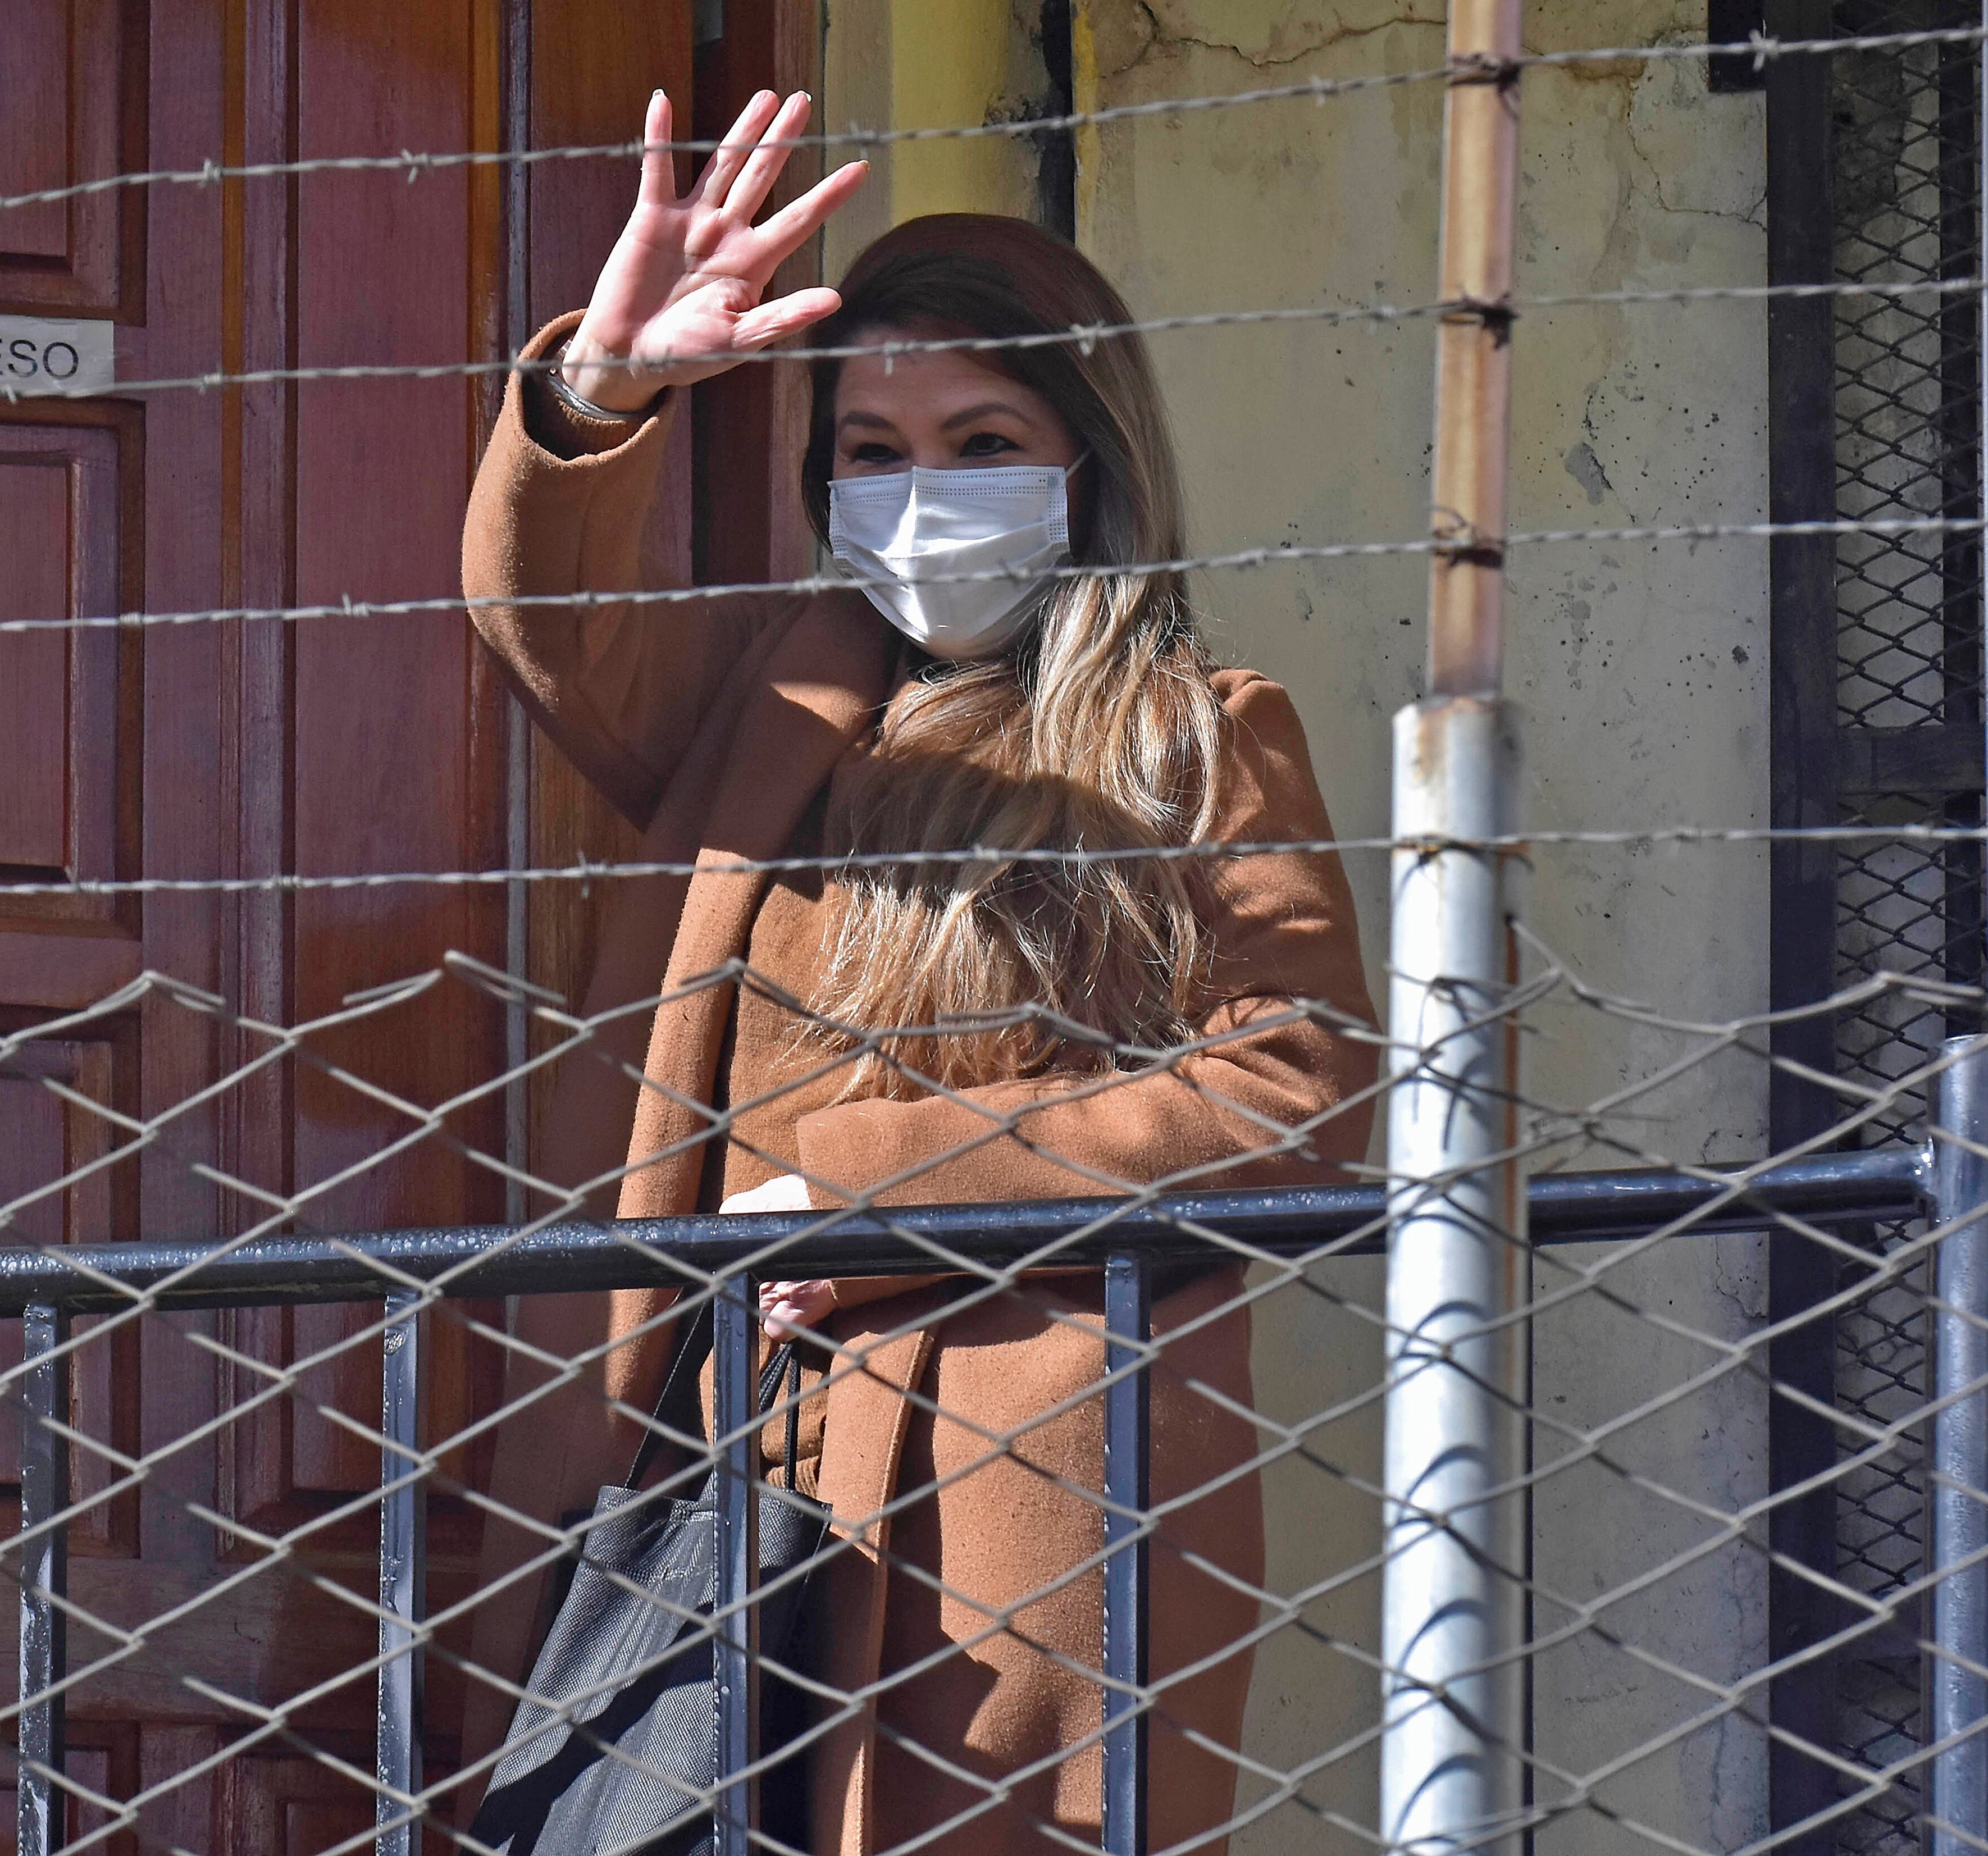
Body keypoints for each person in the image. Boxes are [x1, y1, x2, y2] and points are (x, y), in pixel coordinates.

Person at [457, 86, 1378, 1856]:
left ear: (1087, 459)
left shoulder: (1195, 736)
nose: (918, 491)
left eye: (977, 439)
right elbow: (543, 624)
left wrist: (870, 1187)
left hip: (1014, 1469)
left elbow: (1297, 1081)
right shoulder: (768, 695)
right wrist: (607, 386)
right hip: (719, 1450)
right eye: (869, 452)